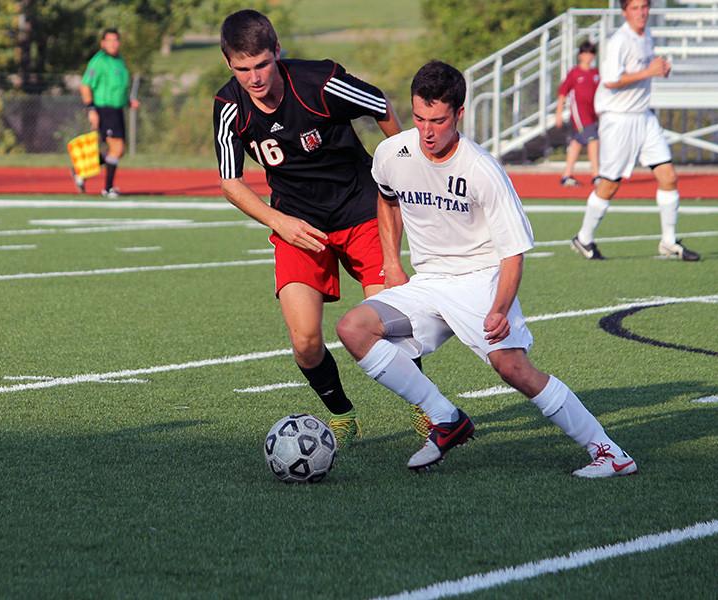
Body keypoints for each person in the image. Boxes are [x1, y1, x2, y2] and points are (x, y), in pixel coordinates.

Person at [335, 60, 637, 478]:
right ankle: (446, 418)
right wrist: (391, 262)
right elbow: (387, 200)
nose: (426, 131)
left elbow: (513, 252)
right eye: (419, 117)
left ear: (458, 115)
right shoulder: (393, 153)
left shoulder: (481, 169)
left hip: (481, 278)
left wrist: (499, 306)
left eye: (438, 121)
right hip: (428, 282)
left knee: (511, 367)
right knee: (353, 328)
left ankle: (610, 453)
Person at [212, 9, 427, 447]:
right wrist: (279, 222)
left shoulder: (320, 81)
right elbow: (231, 183)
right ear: (228, 63)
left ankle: (428, 409)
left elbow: (380, 105)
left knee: (391, 324)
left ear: (277, 52)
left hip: (362, 210)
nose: (254, 78)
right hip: (298, 224)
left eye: (262, 65)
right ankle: (342, 416)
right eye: (242, 69)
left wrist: (400, 169)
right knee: (306, 340)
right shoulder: (228, 106)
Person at [571, 0, 699, 261]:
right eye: (635, 8)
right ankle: (583, 238)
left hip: (644, 116)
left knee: (668, 176)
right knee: (609, 185)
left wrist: (659, 69)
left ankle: (668, 241)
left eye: (644, 7)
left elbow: (645, 69)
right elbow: (610, 80)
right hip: (619, 119)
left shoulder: (647, 34)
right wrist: (647, 71)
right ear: (624, 12)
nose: (641, 12)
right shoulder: (619, 40)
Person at [76, 28, 140, 198]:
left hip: (117, 109)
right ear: (102, 43)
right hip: (104, 109)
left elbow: (118, 87)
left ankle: (81, 171)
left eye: (116, 40)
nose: (113, 44)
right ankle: (108, 188)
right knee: (116, 148)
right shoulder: (99, 61)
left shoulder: (119, 61)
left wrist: (128, 101)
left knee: (119, 150)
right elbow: (85, 85)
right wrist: (91, 109)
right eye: (109, 40)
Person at [555, 41, 600, 187]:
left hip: (592, 113)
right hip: (580, 114)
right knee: (593, 139)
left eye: (591, 53)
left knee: (577, 143)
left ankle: (566, 175)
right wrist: (559, 114)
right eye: (585, 53)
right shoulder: (575, 73)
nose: (588, 56)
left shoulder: (596, 74)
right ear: (580, 55)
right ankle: (596, 174)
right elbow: (562, 93)